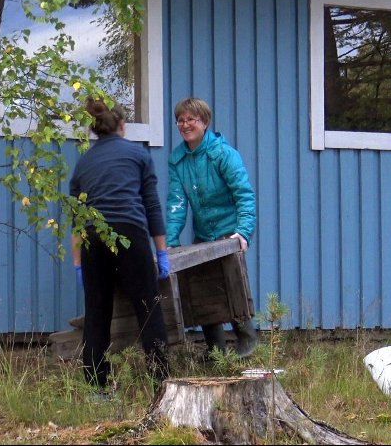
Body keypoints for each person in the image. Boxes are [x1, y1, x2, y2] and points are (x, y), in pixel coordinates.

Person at [70, 99, 171, 391]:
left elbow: (77, 220)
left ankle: (97, 388)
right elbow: (151, 205)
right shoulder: (138, 155)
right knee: (149, 309)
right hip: (130, 235)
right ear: (122, 125)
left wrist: (79, 264)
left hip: (93, 240)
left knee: (97, 313)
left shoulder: (83, 163)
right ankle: (161, 385)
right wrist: (161, 252)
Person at [166, 97, 259, 358]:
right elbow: (176, 201)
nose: (185, 125)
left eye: (191, 119)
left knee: (232, 286)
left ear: (204, 122)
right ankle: (215, 351)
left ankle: (248, 344)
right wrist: (171, 240)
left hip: (229, 232)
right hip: (204, 234)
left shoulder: (223, 153)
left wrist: (243, 232)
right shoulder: (178, 159)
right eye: (181, 120)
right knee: (202, 288)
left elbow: (244, 194)